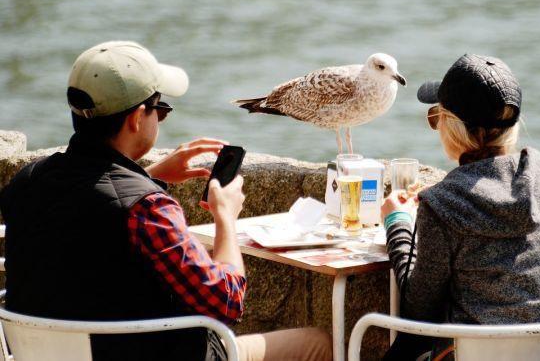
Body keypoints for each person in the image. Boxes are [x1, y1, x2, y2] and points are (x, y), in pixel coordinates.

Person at [0, 41, 331, 361]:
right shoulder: (147, 210)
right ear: (135, 119)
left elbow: (86, 203)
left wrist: (148, 176)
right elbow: (226, 302)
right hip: (151, 353)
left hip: (44, 354)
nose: (161, 117)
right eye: (161, 109)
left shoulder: (26, 182)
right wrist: (225, 217)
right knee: (318, 345)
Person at [381, 54, 540, 360]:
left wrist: (397, 223)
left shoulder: (443, 203)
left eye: (436, 117)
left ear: (452, 127)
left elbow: (418, 314)